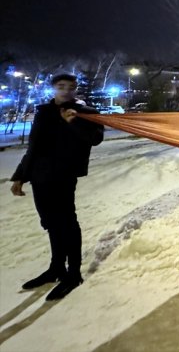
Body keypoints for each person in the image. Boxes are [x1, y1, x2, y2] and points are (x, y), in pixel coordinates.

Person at [10, 73, 104, 301]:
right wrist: (20, 176)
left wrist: (73, 122)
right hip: (40, 176)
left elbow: (94, 139)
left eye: (70, 87)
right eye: (61, 86)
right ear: (53, 88)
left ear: (76, 89)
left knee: (67, 223)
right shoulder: (43, 112)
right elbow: (34, 146)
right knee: (51, 223)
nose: (65, 90)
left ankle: (73, 273)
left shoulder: (86, 113)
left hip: (64, 175)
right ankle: (56, 268)